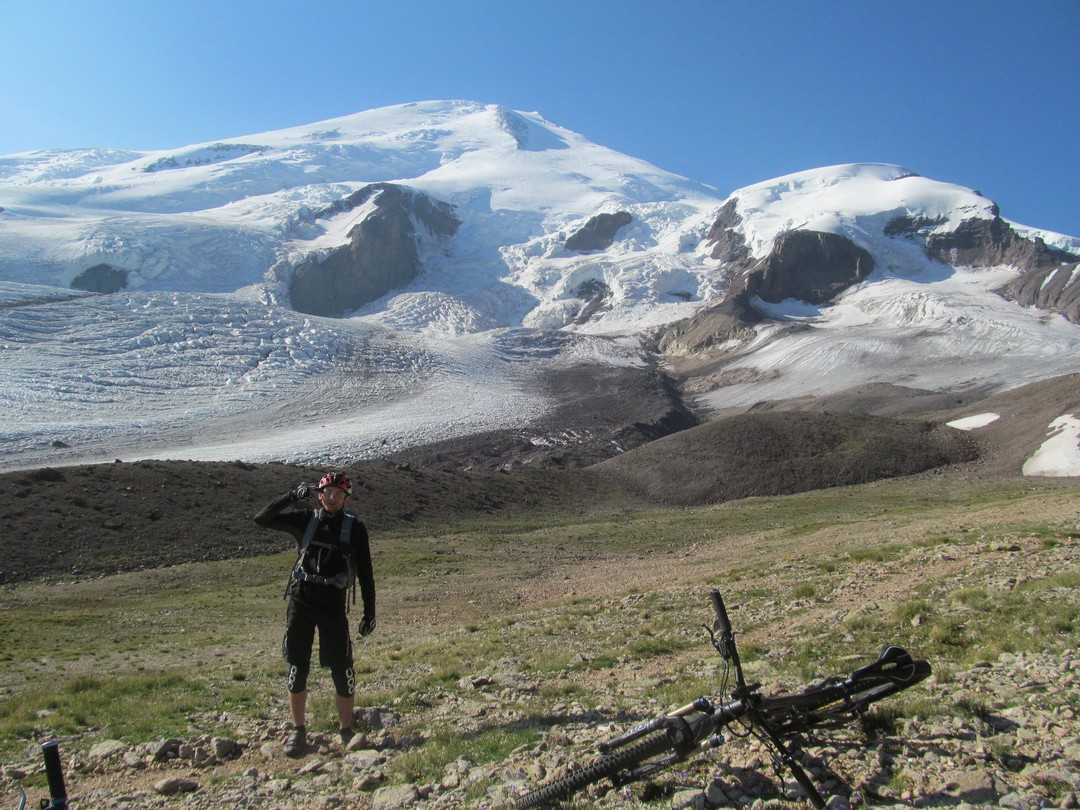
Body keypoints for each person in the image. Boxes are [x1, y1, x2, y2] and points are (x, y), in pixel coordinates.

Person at [254, 471, 376, 756]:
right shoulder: (306, 519)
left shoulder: (355, 528)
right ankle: (298, 731)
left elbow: (366, 574)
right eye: (327, 493)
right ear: (319, 494)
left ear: (346, 498)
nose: (332, 498)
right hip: (302, 601)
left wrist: (370, 613)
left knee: (342, 668)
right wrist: (290, 497)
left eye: (338, 494)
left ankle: (346, 730)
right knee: (298, 667)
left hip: (332, 605)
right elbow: (261, 519)